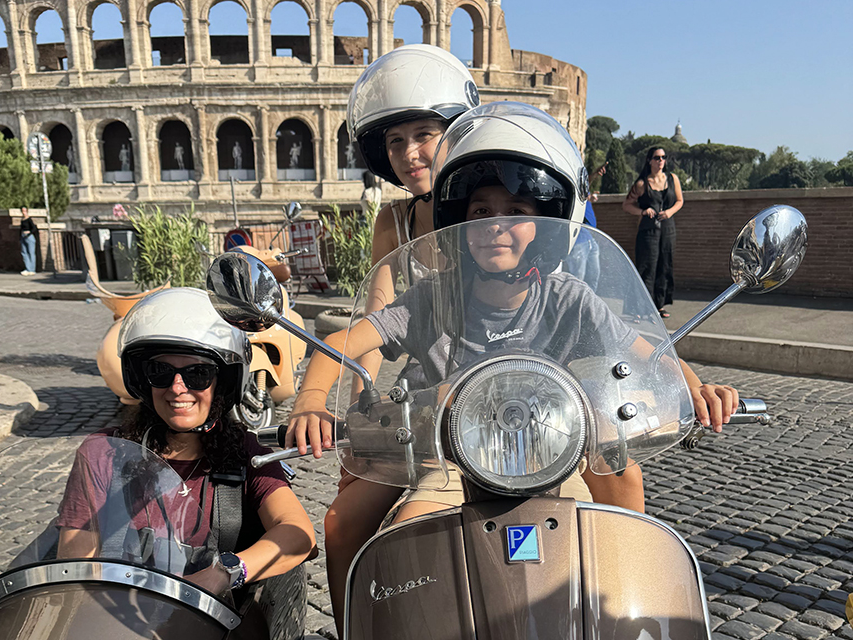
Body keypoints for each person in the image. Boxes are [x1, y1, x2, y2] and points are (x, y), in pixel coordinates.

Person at [288, 103, 739, 620]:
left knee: (622, 488)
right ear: (459, 221)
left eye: (518, 213)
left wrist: (697, 388)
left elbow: (649, 352)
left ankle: (623, 612)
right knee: (379, 536)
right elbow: (344, 342)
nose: (496, 226)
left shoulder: (570, 298)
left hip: (555, 456)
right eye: (481, 212)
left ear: (546, 227)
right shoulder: (434, 299)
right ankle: (361, 627)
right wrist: (310, 400)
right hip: (450, 461)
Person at [314, 43, 480, 637]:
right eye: (395, 141)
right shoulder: (398, 220)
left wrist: (681, 383)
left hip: (516, 409)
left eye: (423, 133)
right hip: (425, 418)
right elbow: (376, 315)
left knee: (621, 479)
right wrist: (326, 393)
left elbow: (596, 310)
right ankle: (355, 629)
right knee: (341, 522)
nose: (410, 153)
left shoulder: (506, 208)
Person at [56, 287, 315, 599]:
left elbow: (298, 533)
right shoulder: (103, 453)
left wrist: (225, 572)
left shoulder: (247, 454)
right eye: (160, 372)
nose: (178, 388)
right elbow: (74, 565)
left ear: (223, 381)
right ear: (142, 379)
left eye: (197, 374)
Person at [623, 147, 684, 319]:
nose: (661, 161)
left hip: (668, 229)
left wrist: (670, 212)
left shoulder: (673, 179)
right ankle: (641, 309)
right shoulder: (642, 183)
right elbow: (626, 205)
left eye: (664, 157)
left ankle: (659, 306)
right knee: (646, 268)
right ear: (649, 160)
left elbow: (680, 201)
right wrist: (642, 212)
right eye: (657, 158)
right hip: (648, 230)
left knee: (665, 266)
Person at [19, 207, 39, 276]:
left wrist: (29, 233)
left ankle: (32, 269)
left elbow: (34, 228)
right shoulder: (22, 220)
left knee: (31, 253)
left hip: (29, 237)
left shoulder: (29, 219)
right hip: (23, 236)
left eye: (25, 211)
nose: (23, 212)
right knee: (24, 252)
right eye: (22, 211)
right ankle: (27, 268)